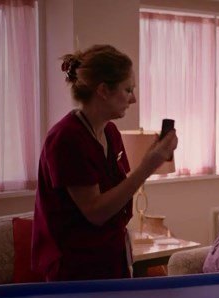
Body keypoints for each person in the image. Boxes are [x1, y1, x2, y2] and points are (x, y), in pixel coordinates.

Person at [32, 44, 177, 281]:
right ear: (103, 90)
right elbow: (96, 212)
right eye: (127, 89)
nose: (133, 99)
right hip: (74, 269)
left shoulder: (110, 133)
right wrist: (147, 167)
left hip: (110, 257)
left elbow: (118, 194)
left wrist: (151, 158)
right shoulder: (66, 139)